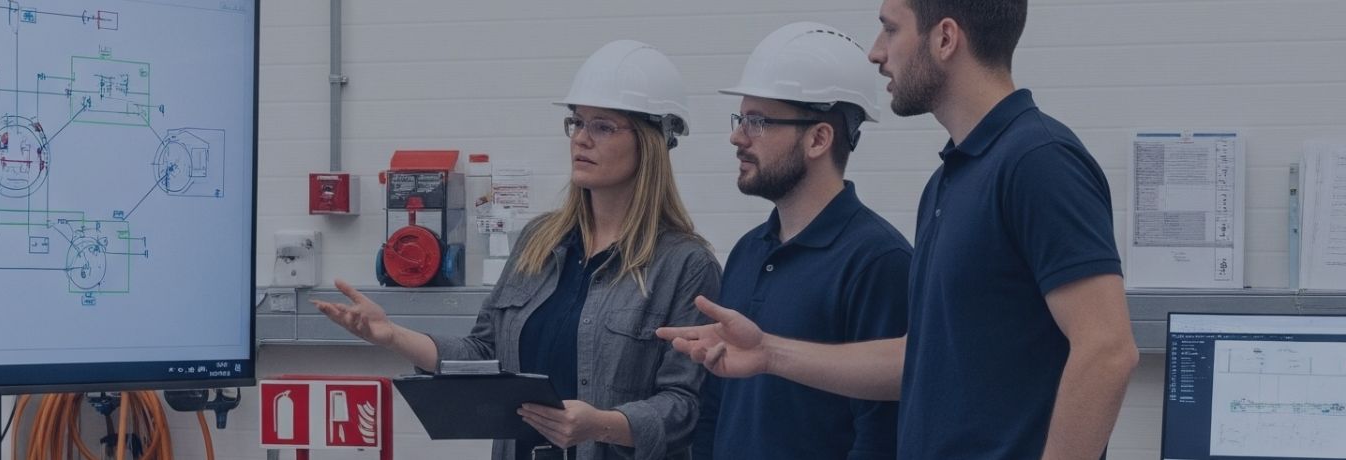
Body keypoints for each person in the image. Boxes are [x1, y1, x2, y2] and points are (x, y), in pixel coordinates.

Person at [658, 1, 1139, 458]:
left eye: (890, 28)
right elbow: (923, 359)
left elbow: (1107, 350)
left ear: (945, 38)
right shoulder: (950, 180)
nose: (876, 52)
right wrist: (769, 352)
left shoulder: (1038, 160)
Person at [314, 40, 721, 460]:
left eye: (603, 126)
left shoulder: (685, 264)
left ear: (651, 143)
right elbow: (483, 354)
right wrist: (390, 335)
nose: (581, 139)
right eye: (576, 123)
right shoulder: (539, 242)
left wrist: (600, 424)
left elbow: (687, 406)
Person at [690, 22, 909, 460]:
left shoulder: (879, 261)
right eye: (741, 119)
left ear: (818, 138)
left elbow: (882, 433)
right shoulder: (749, 251)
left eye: (758, 122)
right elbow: (717, 403)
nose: (737, 136)